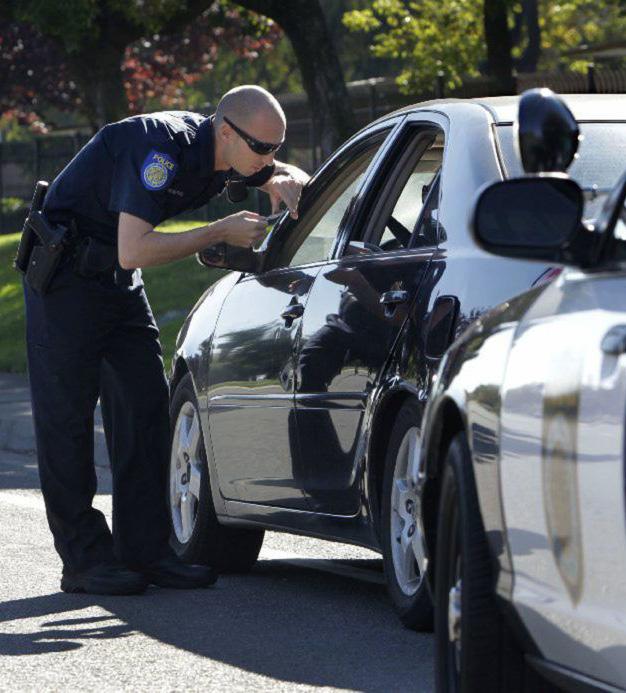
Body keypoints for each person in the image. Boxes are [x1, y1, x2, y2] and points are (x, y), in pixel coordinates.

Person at [21, 85, 309, 595]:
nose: (268, 157)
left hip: (116, 283)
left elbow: (284, 172)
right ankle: (85, 560)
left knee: (145, 408)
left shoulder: (229, 150)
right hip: (66, 279)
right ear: (226, 132)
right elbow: (134, 249)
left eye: (276, 147)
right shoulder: (159, 149)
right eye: (263, 148)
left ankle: (146, 552)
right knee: (66, 421)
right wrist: (218, 231)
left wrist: (283, 177)